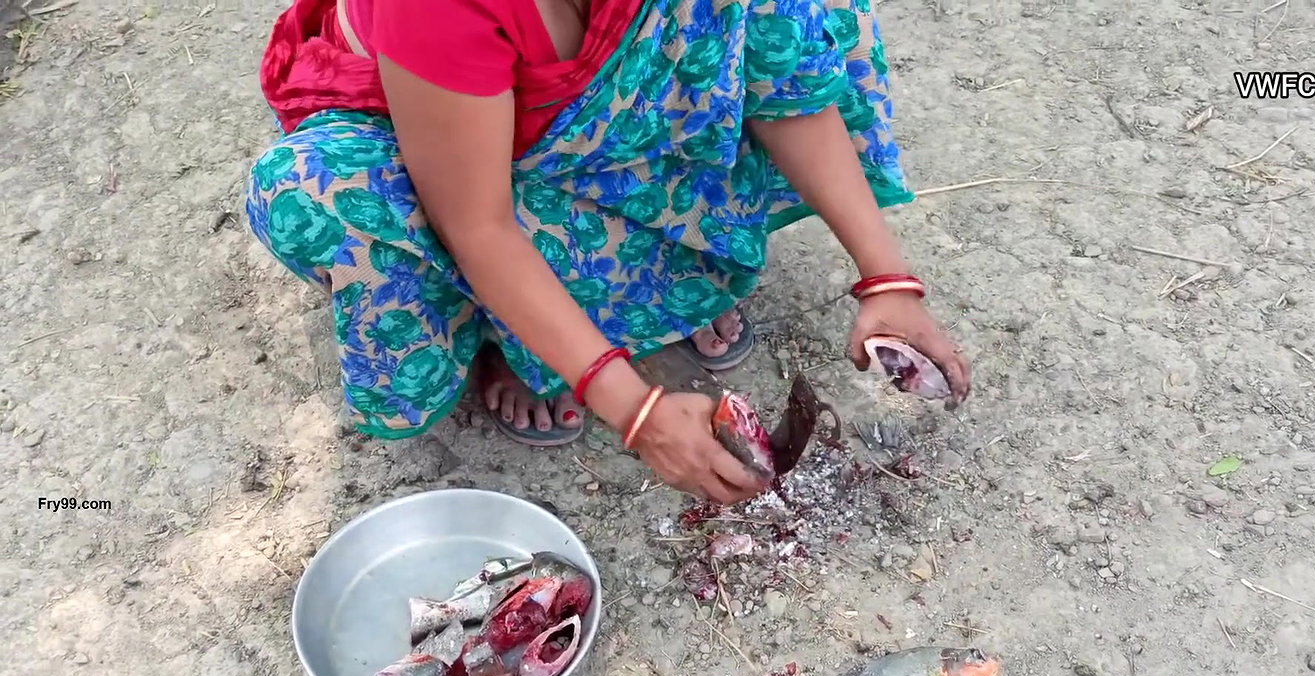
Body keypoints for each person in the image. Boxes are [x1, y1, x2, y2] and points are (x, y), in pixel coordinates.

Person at [245, 0, 972, 506]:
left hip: (581, 141)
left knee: (803, 14)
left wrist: (886, 280)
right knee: (319, 193)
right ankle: (506, 333)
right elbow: (477, 225)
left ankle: (653, 289)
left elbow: (788, 85)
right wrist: (632, 407)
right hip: (449, 150)